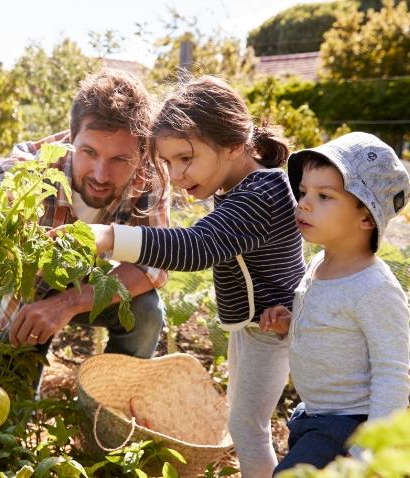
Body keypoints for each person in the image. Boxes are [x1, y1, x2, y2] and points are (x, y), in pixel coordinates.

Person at [83, 75, 306, 478]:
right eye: (167, 163)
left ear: (235, 145)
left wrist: (108, 237)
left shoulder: (262, 194)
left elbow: (196, 247)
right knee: (245, 423)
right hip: (254, 328)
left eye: (186, 158)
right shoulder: (240, 186)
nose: (177, 175)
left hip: (273, 329)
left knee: (247, 428)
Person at [0, 69, 169, 362]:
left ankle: (113, 398)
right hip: (27, 293)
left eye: (120, 159)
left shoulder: (150, 176)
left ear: (142, 151)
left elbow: (153, 266)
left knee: (146, 311)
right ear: (72, 137)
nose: (100, 174)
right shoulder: (30, 168)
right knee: (10, 389)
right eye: (89, 152)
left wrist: (67, 303)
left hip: (88, 286)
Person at [259, 132, 410, 474]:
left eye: (324, 195)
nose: (305, 203)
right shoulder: (319, 264)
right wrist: (291, 322)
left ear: (367, 217)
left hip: (349, 426)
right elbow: (333, 325)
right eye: (303, 192)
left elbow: (392, 374)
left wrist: (366, 452)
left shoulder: (374, 288)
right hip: (313, 415)